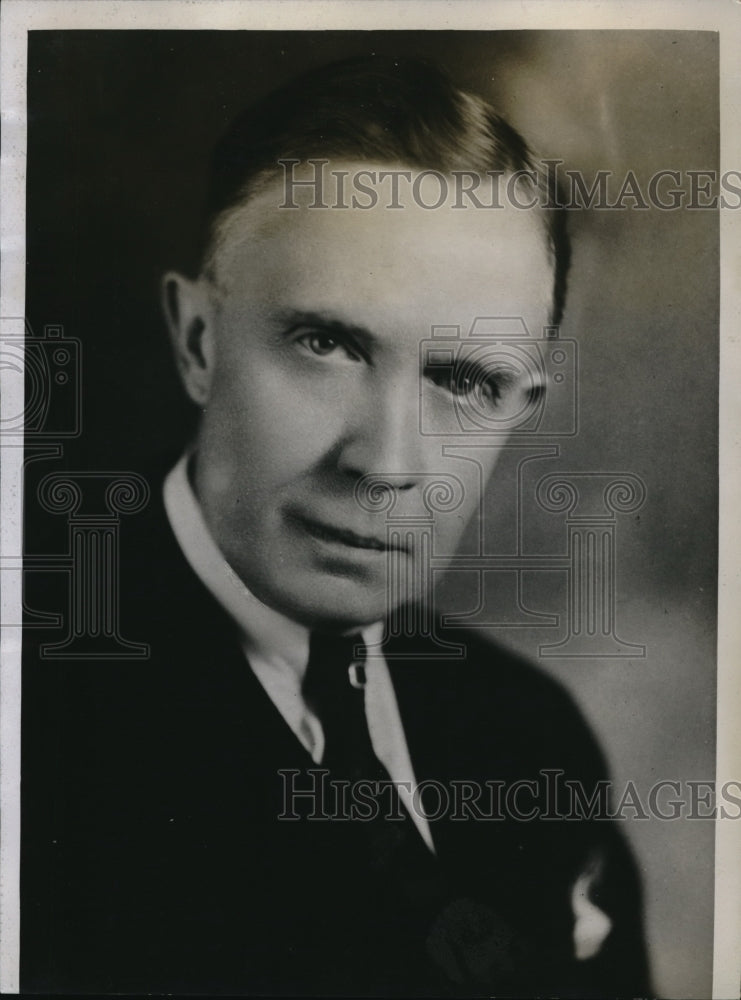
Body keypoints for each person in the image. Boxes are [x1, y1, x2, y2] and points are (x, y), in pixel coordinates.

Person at [21, 56, 652, 995]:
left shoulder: (529, 738)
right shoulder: (30, 724)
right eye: (326, 344)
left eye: (463, 382)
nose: (387, 464)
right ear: (198, 342)